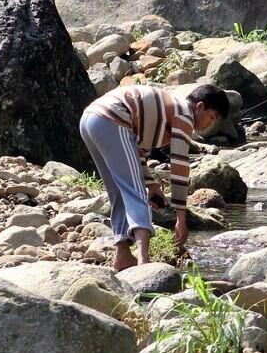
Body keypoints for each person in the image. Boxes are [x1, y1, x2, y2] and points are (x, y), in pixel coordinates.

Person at [80, 84, 230, 271]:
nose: (210, 124)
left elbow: (135, 147)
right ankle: (144, 261)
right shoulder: (185, 114)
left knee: (119, 191)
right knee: (135, 193)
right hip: (112, 119)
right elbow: (179, 165)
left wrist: (151, 185)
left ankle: (123, 255)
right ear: (199, 107)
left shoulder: (169, 107)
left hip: (90, 119)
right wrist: (181, 218)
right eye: (212, 117)